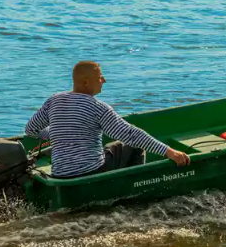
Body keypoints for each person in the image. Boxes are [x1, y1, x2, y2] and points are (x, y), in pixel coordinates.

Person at [24, 61, 191, 178]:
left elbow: (31, 130)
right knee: (133, 146)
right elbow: (131, 134)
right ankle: (132, 189)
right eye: (100, 77)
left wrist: (57, 132)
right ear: (85, 82)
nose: (104, 80)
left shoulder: (54, 100)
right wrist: (170, 152)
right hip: (91, 171)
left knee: (111, 147)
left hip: (60, 174)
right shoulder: (98, 107)